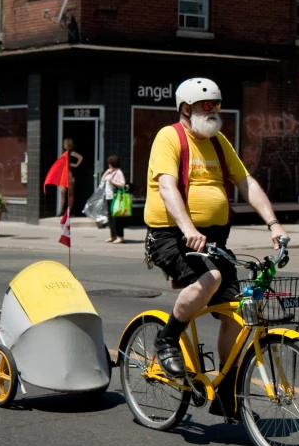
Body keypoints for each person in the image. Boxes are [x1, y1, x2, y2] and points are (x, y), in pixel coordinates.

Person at [144, 77, 288, 420]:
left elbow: (246, 183)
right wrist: (188, 228)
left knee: (236, 312)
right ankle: (166, 340)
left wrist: (274, 224)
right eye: (205, 106)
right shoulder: (170, 137)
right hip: (170, 235)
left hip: (213, 239)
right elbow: (167, 187)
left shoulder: (219, 142)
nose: (212, 111)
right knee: (208, 279)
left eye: (216, 105)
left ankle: (225, 388)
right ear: (185, 109)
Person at [100, 155, 126, 244]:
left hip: (116, 198)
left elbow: (122, 184)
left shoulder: (118, 172)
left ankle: (120, 236)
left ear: (111, 164)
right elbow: (103, 180)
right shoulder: (111, 172)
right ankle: (112, 236)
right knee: (111, 218)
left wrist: (112, 181)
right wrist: (107, 172)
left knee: (117, 218)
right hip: (109, 197)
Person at [58, 138, 83, 216]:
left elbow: (80, 157)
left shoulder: (71, 153)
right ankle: (61, 210)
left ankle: (69, 211)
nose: (64, 145)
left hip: (70, 174)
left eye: (65, 143)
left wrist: (75, 165)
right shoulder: (64, 152)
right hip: (64, 174)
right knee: (63, 192)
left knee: (70, 193)